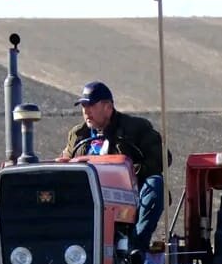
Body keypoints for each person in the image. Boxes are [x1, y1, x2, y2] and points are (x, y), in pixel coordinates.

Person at [61, 81, 165, 252]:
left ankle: (135, 247)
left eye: (91, 105)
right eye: (83, 106)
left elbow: (161, 158)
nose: (86, 111)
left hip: (126, 194)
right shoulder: (77, 135)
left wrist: (132, 173)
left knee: (155, 184)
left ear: (108, 108)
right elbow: (66, 159)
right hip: (86, 194)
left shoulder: (135, 128)